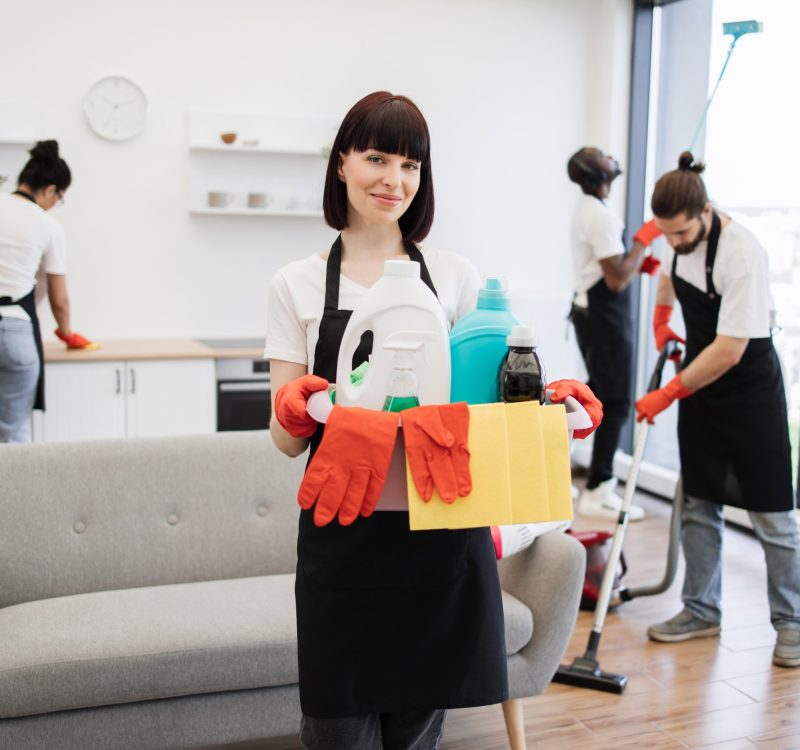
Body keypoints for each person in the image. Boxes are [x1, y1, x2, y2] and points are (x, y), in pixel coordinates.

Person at [265, 91, 603, 750]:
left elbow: (484, 404)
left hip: (441, 523)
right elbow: (283, 442)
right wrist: (296, 408)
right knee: (336, 728)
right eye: (377, 158)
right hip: (345, 530)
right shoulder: (297, 284)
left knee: (420, 730)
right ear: (341, 164)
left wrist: (542, 403)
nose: (394, 180)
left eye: (411, 165)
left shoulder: (452, 276)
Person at [637, 152, 800, 668]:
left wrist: (667, 393)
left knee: (773, 514)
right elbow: (666, 273)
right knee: (700, 503)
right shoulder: (677, 235)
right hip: (703, 388)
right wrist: (663, 319)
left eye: (682, 233)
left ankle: (792, 621)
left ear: (705, 212)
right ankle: (701, 609)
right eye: (666, 233)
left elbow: (730, 349)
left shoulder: (741, 251)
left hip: (749, 390)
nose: (675, 241)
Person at [567, 146, 662, 521]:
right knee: (617, 399)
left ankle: (580, 478)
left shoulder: (592, 209)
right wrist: (644, 239)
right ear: (596, 174)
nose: (609, 154)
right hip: (603, 313)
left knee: (597, 392)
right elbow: (617, 278)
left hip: (594, 310)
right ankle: (598, 489)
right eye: (601, 155)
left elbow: (618, 268)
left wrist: (638, 262)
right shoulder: (597, 215)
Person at [0, 140, 97, 443]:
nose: (56, 204)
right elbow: (60, 299)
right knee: (14, 434)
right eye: (60, 198)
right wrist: (67, 333)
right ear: (51, 189)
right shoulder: (47, 226)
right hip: (16, 332)